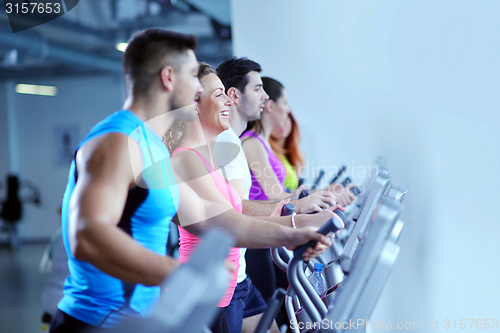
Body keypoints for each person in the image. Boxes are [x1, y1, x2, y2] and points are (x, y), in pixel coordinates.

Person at [166, 63, 344, 333]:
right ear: (194, 105)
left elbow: (232, 217)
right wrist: (295, 228)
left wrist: (298, 226)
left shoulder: (207, 157)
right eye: (219, 95)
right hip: (213, 293)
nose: (229, 100)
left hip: (234, 282)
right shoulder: (185, 158)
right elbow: (226, 225)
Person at [50, 29, 203, 332]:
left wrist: (287, 229)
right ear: (168, 77)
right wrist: (176, 273)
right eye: (195, 75)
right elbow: (87, 234)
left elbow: (198, 218)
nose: (199, 87)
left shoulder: (153, 143)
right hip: (98, 322)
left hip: (135, 321)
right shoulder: (119, 142)